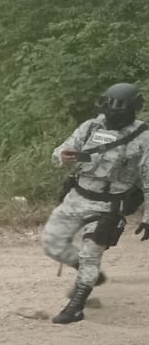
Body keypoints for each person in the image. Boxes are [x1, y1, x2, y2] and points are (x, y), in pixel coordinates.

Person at [41, 82, 149, 324]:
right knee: (51, 243)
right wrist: (63, 156)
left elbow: (148, 179)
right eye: (109, 108)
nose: (112, 113)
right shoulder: (91, 126)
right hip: (77, 196)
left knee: (91, 254)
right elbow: (60, 151)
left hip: (108, 205)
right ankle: (90, 275)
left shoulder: (144, 139)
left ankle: (76, 307)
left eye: (118, 109)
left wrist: (147, 216)